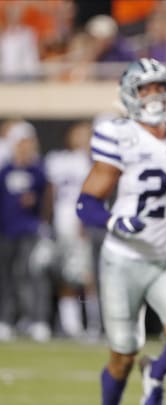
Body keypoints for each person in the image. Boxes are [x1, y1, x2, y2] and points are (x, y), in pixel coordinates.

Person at [75, 58, 166, 405]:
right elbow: (85, 203)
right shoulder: (119, 135)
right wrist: (113, 221)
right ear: (130, 95)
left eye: (160, 87)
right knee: (123, 356)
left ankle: (155, 371)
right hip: (124, 259)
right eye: (145, 88)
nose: (154, 95)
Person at [45, 121, 102, 339]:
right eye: (79, 134)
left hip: (85, 224)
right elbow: (50, 195)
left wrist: (85, 221)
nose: (82, 138)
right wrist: (46, 223)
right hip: (61, 224)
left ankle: (94, 324)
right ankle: (71, 325)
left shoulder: (95, 161)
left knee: (89, 277)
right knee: (65, 277)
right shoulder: (57, 159)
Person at [0, 121, 52, 342]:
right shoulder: (6, 170)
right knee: (7, 277)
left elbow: (49, 197)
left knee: (32, 274)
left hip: (30, 230)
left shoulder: (38, 170)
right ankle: (7, 320)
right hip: (6, 231)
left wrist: (45, 224)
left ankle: (38, 320)